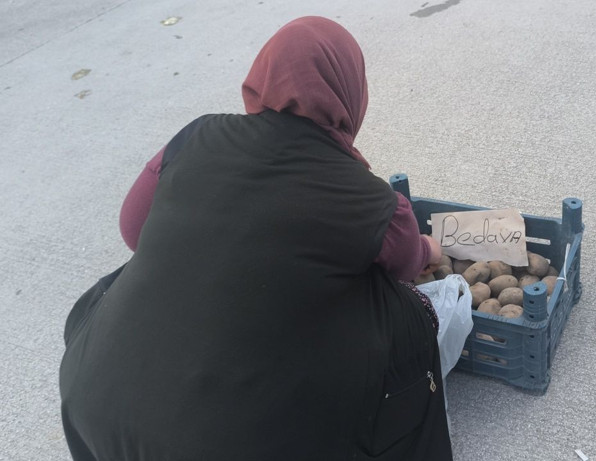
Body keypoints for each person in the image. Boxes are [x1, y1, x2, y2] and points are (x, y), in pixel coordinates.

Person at [59, 16, 453, 460]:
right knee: (405, 313)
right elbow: (406, 265)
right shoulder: (370, 199)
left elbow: (134, 230)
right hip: (230, 446)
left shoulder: (196, 136)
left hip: (93, 404)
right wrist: (432, 248)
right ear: (350, 91)